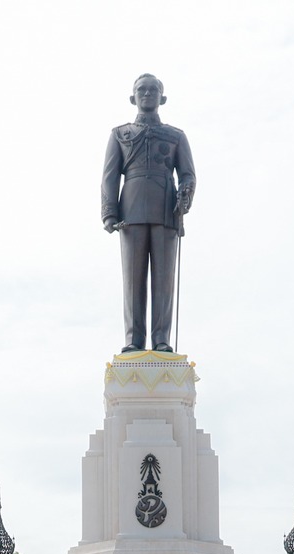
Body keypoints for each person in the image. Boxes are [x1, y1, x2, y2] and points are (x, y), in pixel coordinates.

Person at [101, 73, 195, 354]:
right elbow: (109, 176)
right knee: (133, 280)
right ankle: (134, 340)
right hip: (130, 212)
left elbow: (188, 174)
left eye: (153, 90)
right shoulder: (120, 134)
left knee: (164, 281)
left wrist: (186, 195)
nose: (147, 93)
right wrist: (109, 212)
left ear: (162, 98)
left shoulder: (176, 136)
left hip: (167, 210)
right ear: (133, 97)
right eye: (141, 89)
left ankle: (161, 340)